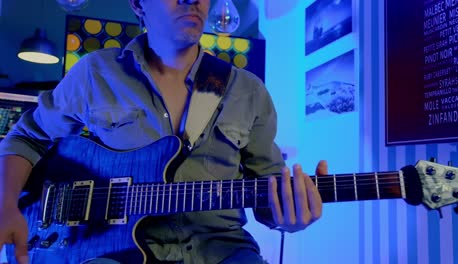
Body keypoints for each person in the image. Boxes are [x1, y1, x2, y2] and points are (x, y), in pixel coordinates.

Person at [0, 0, 328, 263]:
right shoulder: (96, 72)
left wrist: (291, 216)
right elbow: (27, 138)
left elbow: (270, 192)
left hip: (222, 250)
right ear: (138, 4)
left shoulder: (248, 91)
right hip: (108, 249)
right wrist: (6, 205)